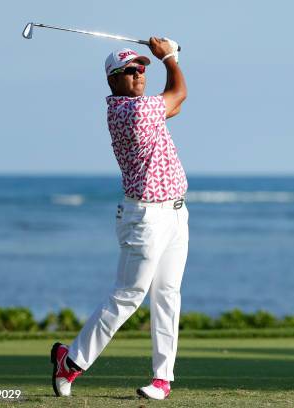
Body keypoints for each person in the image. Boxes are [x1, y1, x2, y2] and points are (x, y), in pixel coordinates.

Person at [50, 37, 189, 400]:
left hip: (175, 213)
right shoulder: (131, 112)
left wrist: (165, 60)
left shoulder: (144, 106)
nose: (138, 74)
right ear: (113, 81)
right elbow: (179, 94)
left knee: (167, 295)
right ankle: (71, 361)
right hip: (145, 218)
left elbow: (170, 104)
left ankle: (162, 379)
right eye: (128, 71)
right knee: (129, 295)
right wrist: (170, 57)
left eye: (141, 68)